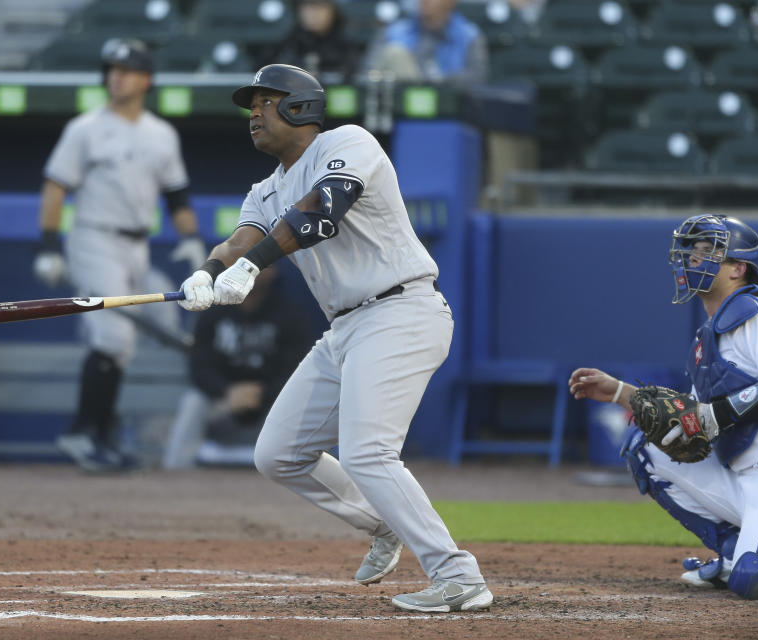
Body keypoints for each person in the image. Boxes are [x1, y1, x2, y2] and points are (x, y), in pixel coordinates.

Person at [177, 64, 492, 612]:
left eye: (265, 101)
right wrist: (207, 270)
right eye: (250, 105)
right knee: (278, 454)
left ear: (300, 106)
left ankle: (457, 575)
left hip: (401, 311)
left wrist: (250, 267)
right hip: (345, 327)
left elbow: (322, 213)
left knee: (369, 451)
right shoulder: (265, 190)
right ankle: (382, 524)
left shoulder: (348, 143)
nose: (253, 113)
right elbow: (240, 239)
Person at [569, 215, 758, 600]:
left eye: (707, 251)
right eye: (691, 251)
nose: (692, 259)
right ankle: (733, 551)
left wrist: (717, 415)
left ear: (737, 268)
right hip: (742, 476)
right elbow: (687, 418)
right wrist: (618, 392)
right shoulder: (706, 339)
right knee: (645, 445)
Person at [34, 37, 206, 472]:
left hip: (137, 245)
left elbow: (177, 196)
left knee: (126, 345)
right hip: (94, 239)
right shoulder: (85, 128)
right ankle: (81, 433)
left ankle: (99, 435)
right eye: (111, 68)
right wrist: (50, 246)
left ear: (146, 79)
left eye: (127, 70)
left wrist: (192, 240)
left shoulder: (162, 134)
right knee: (112, 338)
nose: (117, 76)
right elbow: (55, 188)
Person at [162, 266, 313, 468]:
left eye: (262, 267)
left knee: (305, 405)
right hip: (223, 398)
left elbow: (297, 367)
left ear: (273, 272)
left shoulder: (289, 313)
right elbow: (199, 365)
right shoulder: (213, 310)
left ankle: (302, 471)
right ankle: (175, 472)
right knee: (194, 402)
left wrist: (264, 393)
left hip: (273, 400)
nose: (253, 273)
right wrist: (227, 391)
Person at [361, 0, 488, 85]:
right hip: (401, 104)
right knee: (395, 53)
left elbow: (477, 77)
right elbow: (366, 74)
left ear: (451, 2)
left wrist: (438, 81)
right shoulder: (393, 32)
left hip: (450, 106)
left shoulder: (469, 35)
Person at [261, 0, 359, 79]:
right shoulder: (287, 45)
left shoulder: (345, 46)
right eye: (307, 6)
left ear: (333, 10)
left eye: (319, 6)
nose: (313, 13)